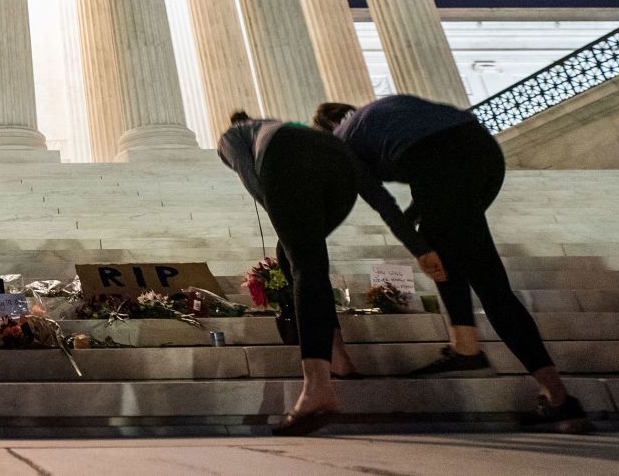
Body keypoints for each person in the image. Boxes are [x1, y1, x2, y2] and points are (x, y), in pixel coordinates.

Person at [315, 96, 591, 433]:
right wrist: (419, 224)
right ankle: (466, 345)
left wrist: (416, 246)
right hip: (483, 153)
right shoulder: (379, 114)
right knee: (445, 239)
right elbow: (434, 177)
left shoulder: (342, 141)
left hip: (442, 163)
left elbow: (383, 199)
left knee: (490, 285)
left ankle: (559, 399)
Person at [218, 111, 361, 436]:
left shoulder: (231, 137)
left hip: (287, 163)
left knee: (303, 262)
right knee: (303, 258)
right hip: (342, 162)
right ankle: (340, 359)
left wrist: (280, 213)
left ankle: (317, 389)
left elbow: (251, 176)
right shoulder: (278, 124)